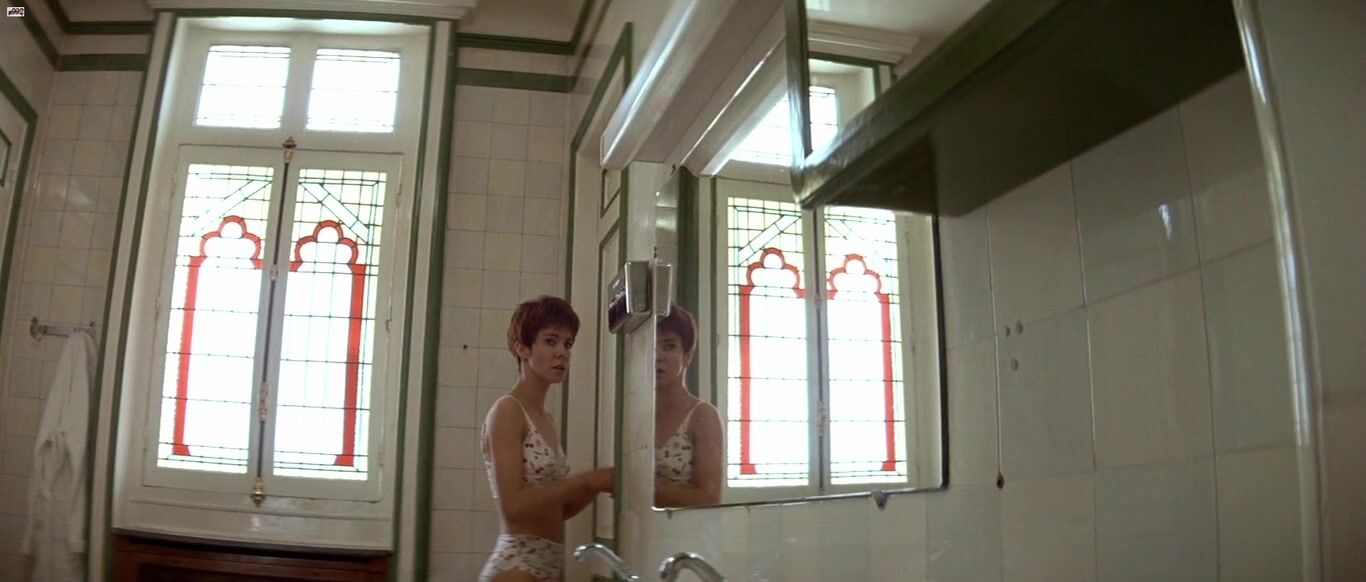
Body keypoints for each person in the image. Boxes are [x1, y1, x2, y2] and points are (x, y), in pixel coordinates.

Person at [480, 296, 613, 581]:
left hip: (547, 564)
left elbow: (558, 510)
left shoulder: (546, 420)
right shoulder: (507, 411)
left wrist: (597, 485)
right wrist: (586, 480)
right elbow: (513, 506)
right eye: (551, 341)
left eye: (568, 343)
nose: (562, 353)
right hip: (516, 566)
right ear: (522, 348)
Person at [653, 303, 723, 507]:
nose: (657, 356)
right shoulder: (636, 414)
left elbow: (709, 498)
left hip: (689, 526)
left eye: (669, 346)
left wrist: (640, 490)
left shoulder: (702, 416)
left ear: (687, 355)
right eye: (651, 346)